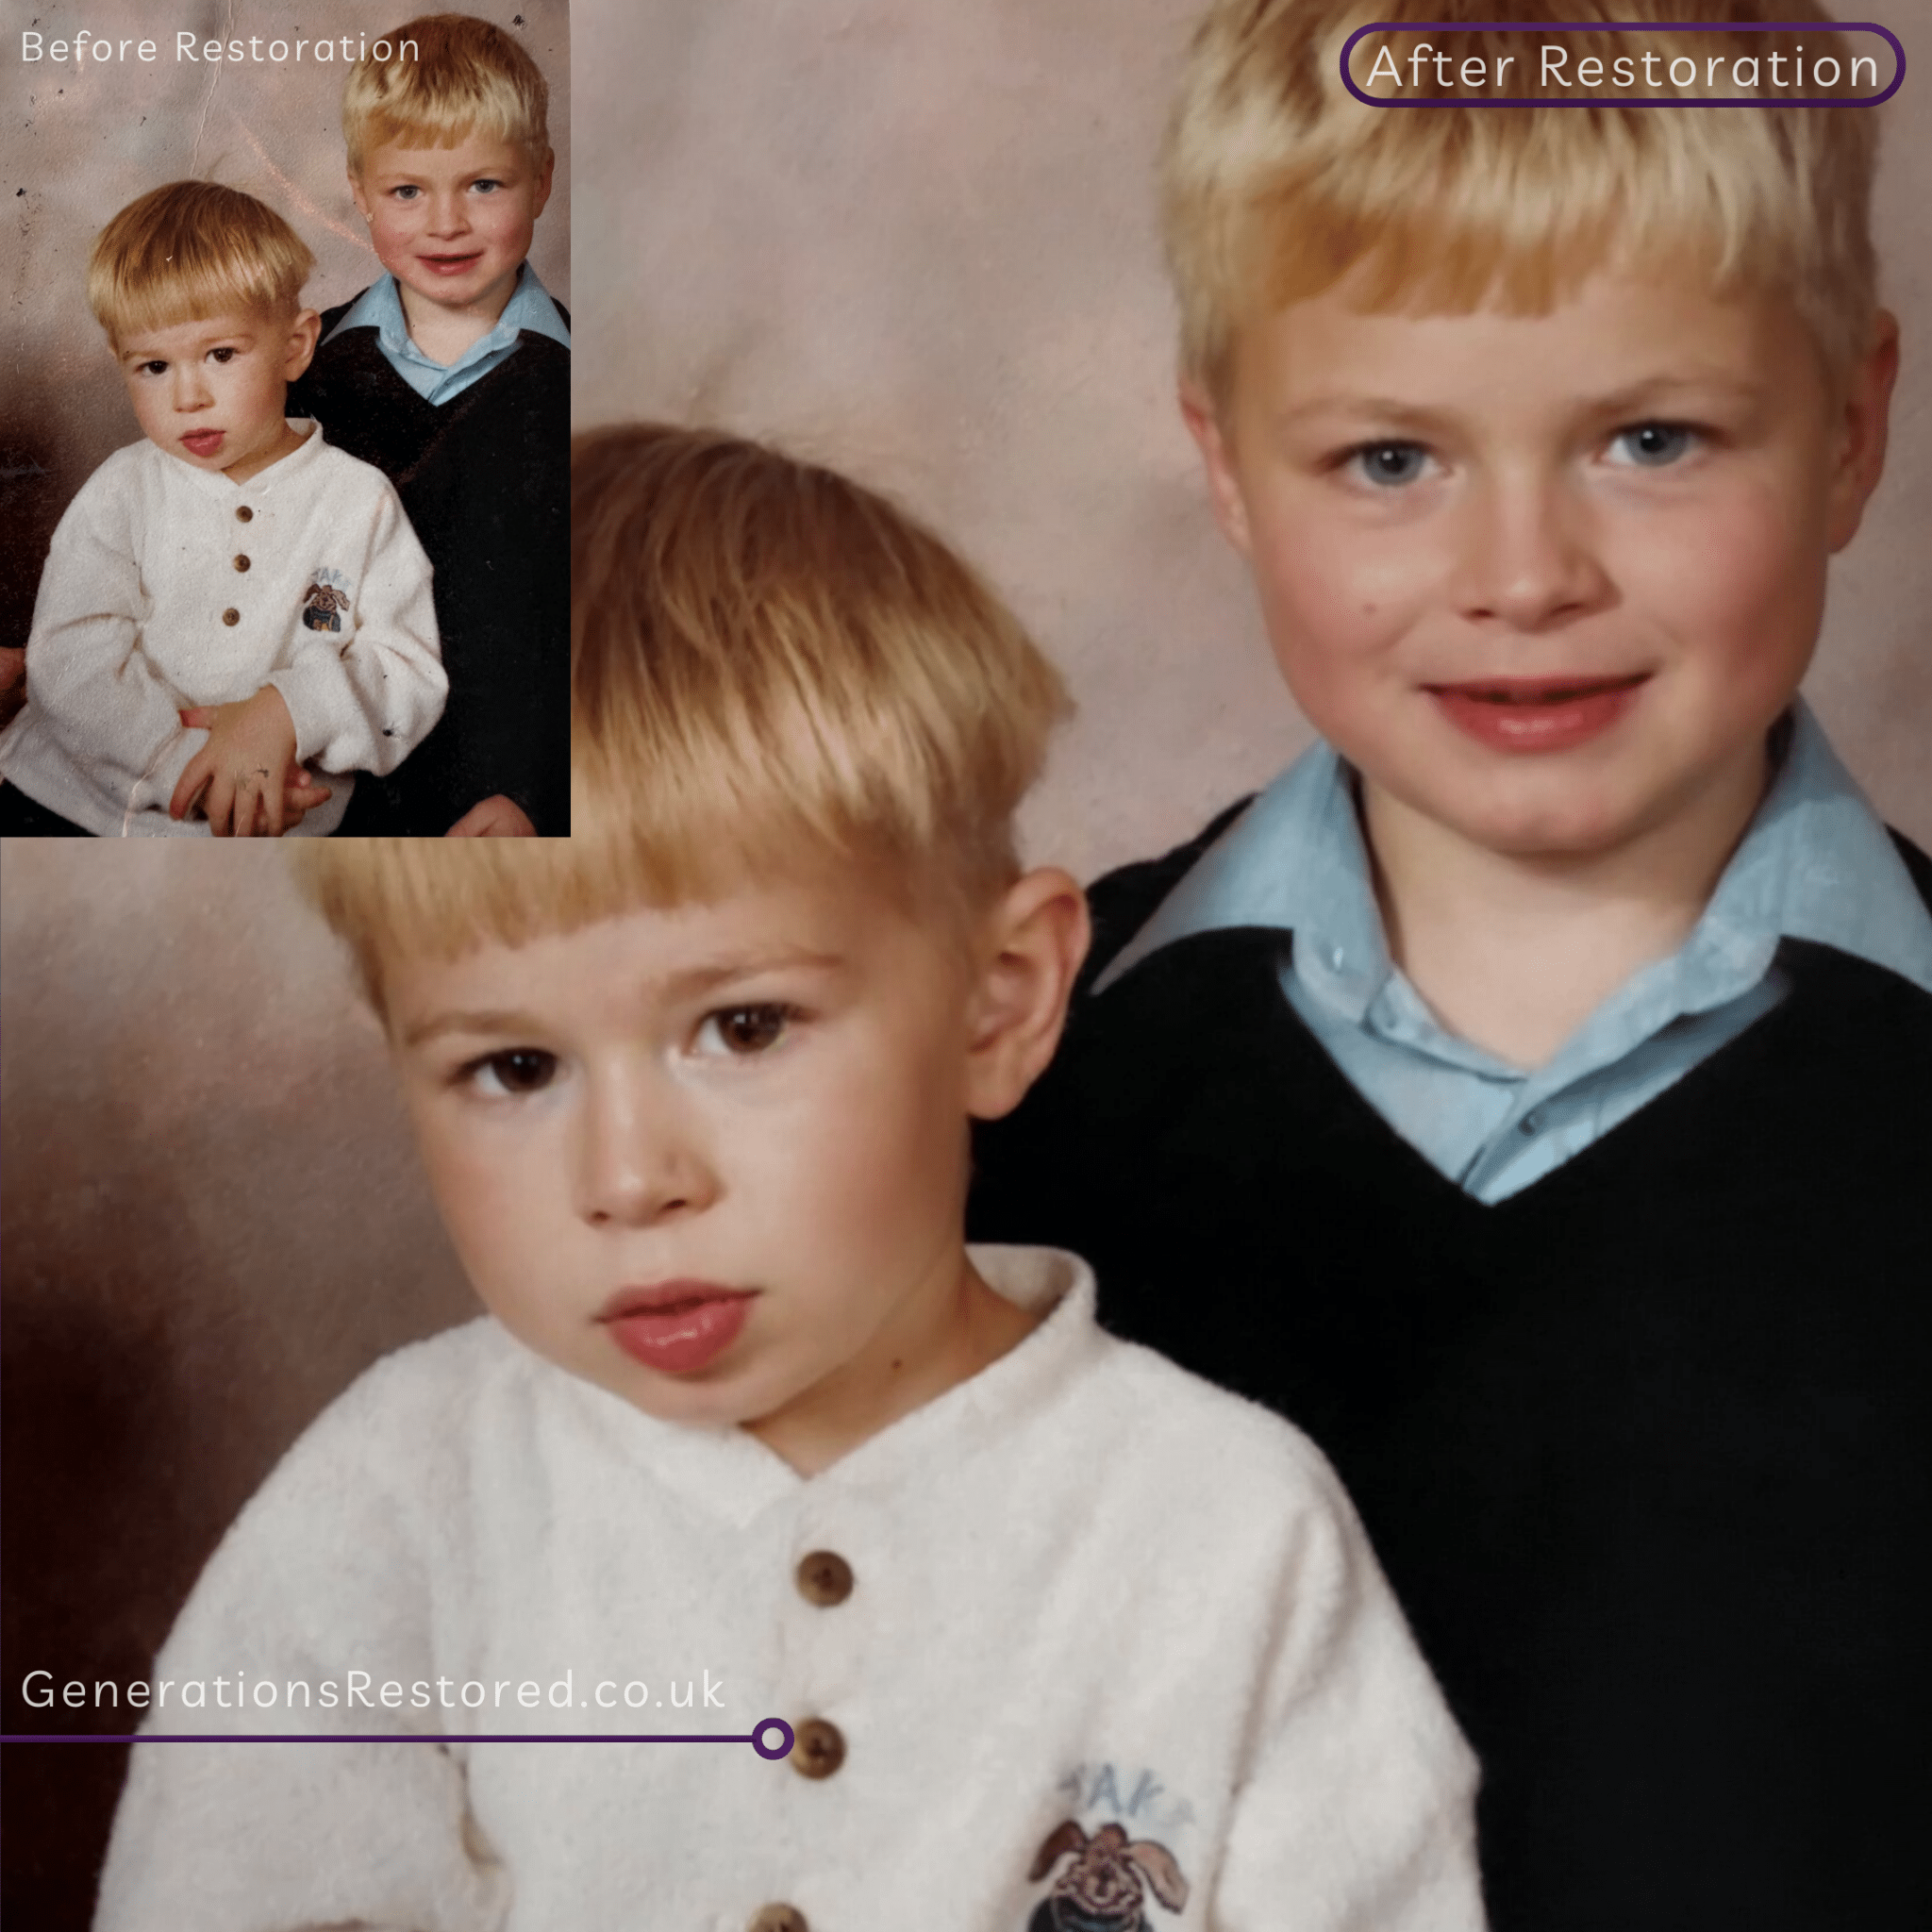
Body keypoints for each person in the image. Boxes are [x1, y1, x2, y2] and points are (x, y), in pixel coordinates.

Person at [91, 424, 1485, 1932]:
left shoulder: (1226, 1537)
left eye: (741, 1027)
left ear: (1001, 1001)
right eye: (513, 1069)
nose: (630, 1181)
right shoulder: (398, 1507)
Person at [970, 2, 1932, 1926]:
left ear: (1847, 427)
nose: (1521, 572)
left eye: (1649, 440)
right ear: (1225, 464)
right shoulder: (1003, 1091)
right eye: (1390, 458)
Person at [0, 182, 445, 839]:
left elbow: (405, 675)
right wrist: (191, 767)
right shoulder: (122, 492)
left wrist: (292, 711)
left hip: (278, 815)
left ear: (295, 347)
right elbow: (72, 661)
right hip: (72, 802)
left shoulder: (359, 501)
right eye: (153, 366)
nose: (187, 396)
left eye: (220, 355)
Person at [289, 13, 568, 839]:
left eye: (485, 185)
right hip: (321, 782)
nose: (446, 223)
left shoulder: (589, 388)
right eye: (408, 191)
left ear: (543, 182)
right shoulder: (301, 373)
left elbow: (615, 634)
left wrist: (535, 794)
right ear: (359, 189)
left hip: (511, 790)